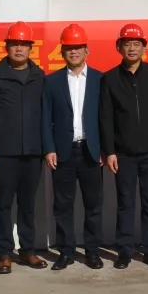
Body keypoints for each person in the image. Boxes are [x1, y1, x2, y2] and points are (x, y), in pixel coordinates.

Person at [0, 21, 47, 274]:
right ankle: (4, 253)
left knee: (28, 205)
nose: (19, 49)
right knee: (3, 205)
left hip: (33, 152)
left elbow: (46, 115)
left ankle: (28, 250)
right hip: (4, 153)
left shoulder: (40, 76)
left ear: (30, 48)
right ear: (6, 47)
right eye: (14, 44)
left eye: (23, 44)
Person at [100, 23, 148, 270]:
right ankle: (124, 251)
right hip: (123, 153)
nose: (132, 48)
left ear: (144, 47)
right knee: (125, 203)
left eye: (136, 44)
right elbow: (105, 117)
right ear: (119, 47)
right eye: (127, 44)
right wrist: (110, 151)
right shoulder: (110, 78)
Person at [43, 24, 105, 271]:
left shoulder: (100, 79)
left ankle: (93, 252)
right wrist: (49, 148)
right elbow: (45, 118)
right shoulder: (52, 81)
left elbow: (106, 119)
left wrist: (105, 148)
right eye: (69, 48)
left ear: (86, 50)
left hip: (91, 152)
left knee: (93, 205)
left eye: (78, 47)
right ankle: (66, 252)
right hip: (63, 152)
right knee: (63, 206)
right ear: (62, 51)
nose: (73, 52)